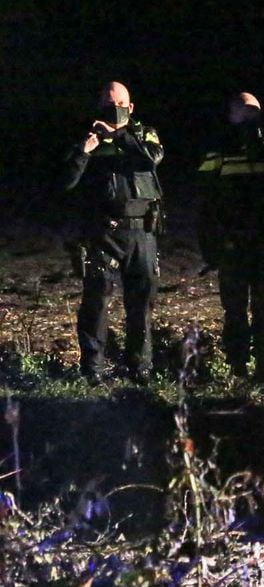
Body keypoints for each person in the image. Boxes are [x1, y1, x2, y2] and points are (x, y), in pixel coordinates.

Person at [62, 81, 164, 384]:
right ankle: (92, 369)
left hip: (142, 231)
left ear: (130, 108)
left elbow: (150, 159)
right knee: (96, 300)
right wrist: (84, 150)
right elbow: (65, 181)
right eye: (108, 105)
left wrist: (119, 135)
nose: (114, 110)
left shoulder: (144, 134)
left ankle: (140, 368)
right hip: (102, 233)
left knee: (142, 301)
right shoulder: (86, 136)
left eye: (119, 105)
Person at [196, 92, 264, 380]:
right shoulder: (222, 150)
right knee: (238, 309)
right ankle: (240, 366)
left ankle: (262, 364)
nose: (250, 118)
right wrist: (209, 243)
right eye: (247, 112)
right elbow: (206, 201)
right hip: (236, 244)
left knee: (263, 308)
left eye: (253, 112)